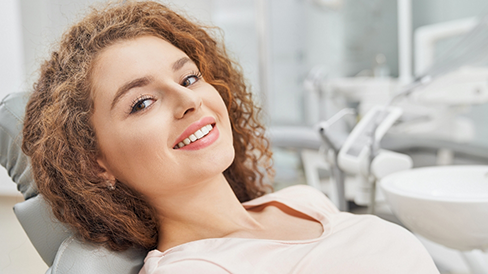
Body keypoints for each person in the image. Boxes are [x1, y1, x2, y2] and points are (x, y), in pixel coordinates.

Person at [21, 1, 439, 273]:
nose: (188, 99)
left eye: (189, 77)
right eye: (143, 102)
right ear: (97, 163)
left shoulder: (300, 201)